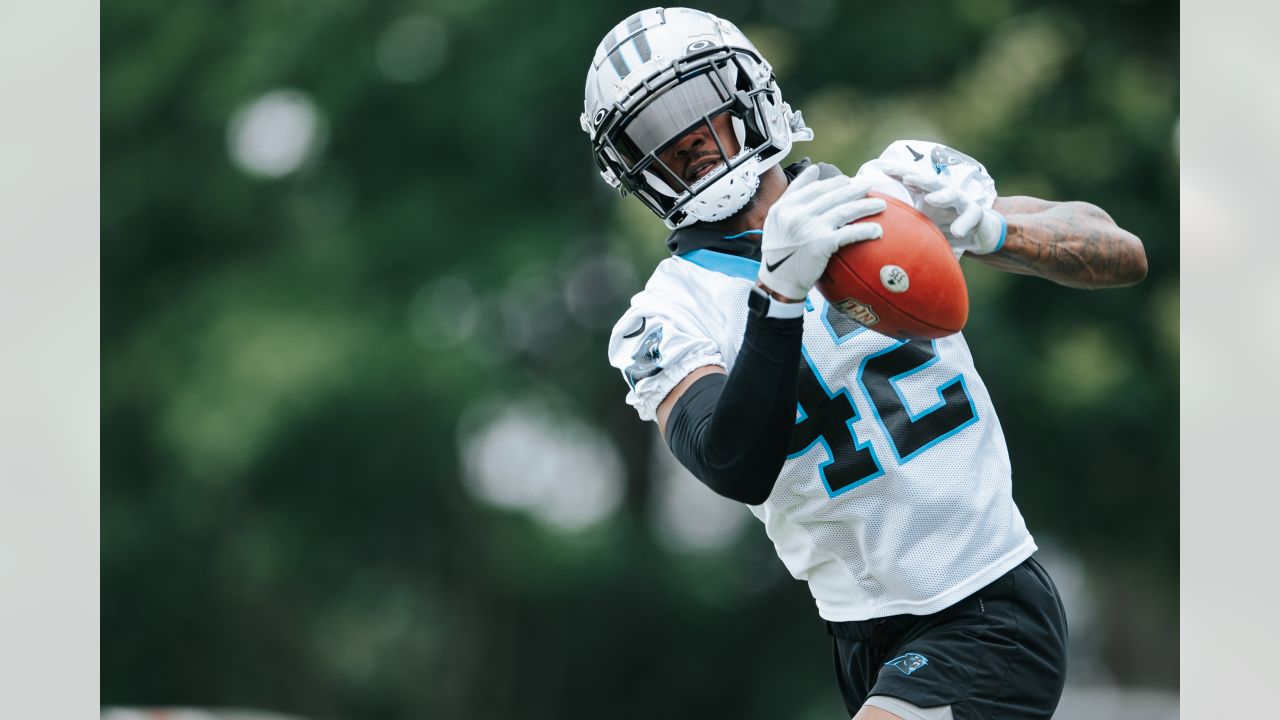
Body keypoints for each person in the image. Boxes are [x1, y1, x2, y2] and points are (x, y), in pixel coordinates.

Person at [582, 8, 1146, 720]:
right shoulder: (666, 313)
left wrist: (993, 229)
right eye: (651, 135)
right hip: (862, 634)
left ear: (748, 90)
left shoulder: (889, 194)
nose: (684, 141)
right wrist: (777, 296)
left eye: (694, 107)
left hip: (983, 600)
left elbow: (1121, 252)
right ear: (630, 170)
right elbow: (732, 462)